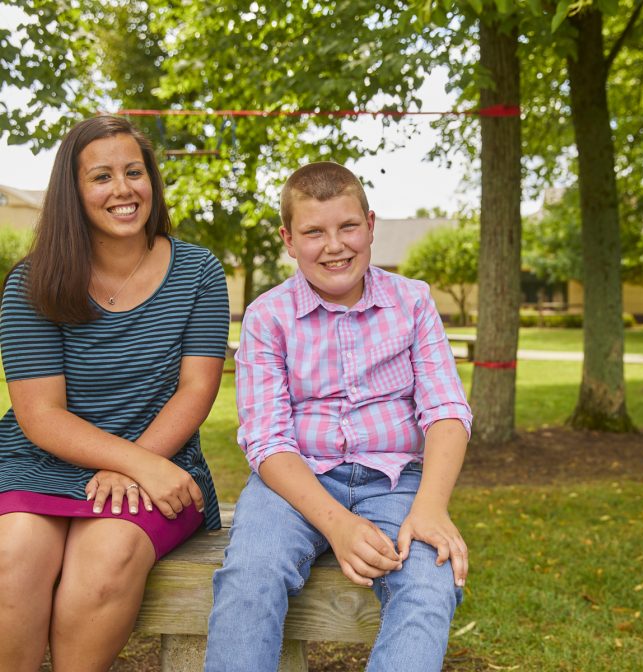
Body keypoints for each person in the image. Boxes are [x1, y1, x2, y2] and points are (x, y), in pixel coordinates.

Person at [205, 162, 472, 671]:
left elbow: (446, 411)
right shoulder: (268, 317)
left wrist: (431, 508)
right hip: (294, 482)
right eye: (313, 232)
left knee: (429, 580)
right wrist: (338, 525)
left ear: (371, 225)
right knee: (250, 575)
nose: (335, 245)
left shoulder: (412, 301)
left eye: (348, 226)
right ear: (288, 239)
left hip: (395, 482)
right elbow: (266, 441)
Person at [0, 116, 230, 672]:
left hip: (162, 458)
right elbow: (40, 415)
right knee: (14, 555)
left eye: (134, 172)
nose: (123, 189)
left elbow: (197, 387)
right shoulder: (32, 283)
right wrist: (130, 465)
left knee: (106, 558)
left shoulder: (198, 271)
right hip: (40, 463)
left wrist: (142, 465)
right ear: (74, 193)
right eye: (101, 177)